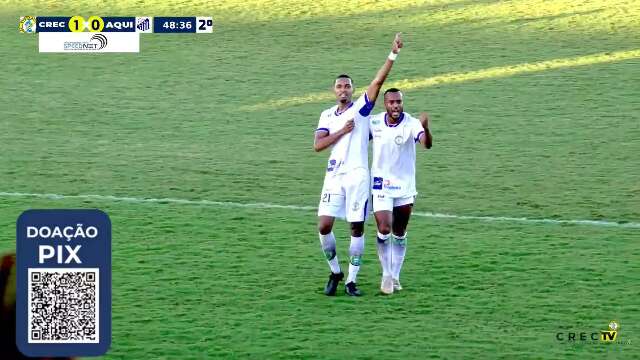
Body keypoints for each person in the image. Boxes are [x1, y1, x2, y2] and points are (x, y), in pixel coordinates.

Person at [314, 34, 403, 296]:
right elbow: (318, 145)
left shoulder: (361, 110)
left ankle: (351, 280)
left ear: (352, 90)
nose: (343, 90)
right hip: (333, 176)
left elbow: (378, 82)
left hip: (357, 176)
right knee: (324, 226)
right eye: (339, 86)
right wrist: (341, 131)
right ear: (334, 90)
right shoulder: (327, 115)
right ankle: (335, 272)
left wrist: (392, 54)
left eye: (347, 86)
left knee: (356, 226)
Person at [368, 88, 433, 294]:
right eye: (391, 102)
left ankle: (395, 276)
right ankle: (386, 274)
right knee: (385, 228)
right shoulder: (374, 122)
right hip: (381, 184)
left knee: (399, 232)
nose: (395, 106)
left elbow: (426, 144)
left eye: (398, 102)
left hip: (404, 187)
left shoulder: (412, 123)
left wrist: (426, 128)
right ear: (385, 104)